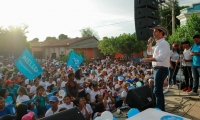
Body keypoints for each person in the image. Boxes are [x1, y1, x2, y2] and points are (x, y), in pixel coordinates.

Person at [142, 25, 170, 111]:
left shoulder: (164, 44)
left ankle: (159, 110)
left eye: (155, 31)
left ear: (161, 33)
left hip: (161, 69)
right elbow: (149, 51)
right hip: (157, 69)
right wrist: (150, 43)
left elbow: (161, 58)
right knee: (158, 91)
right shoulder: (158, 44)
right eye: (153, 31)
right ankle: (161, 110)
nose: (153, 33)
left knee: (157, 91)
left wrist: (148, 59)